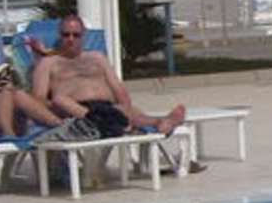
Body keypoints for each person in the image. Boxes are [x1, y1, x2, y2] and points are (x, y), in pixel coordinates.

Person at [28, 18, 187, 135]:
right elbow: (39, 99)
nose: (71, 39)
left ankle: (161, 121)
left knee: (128, 111)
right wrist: (58, 112)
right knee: (60, 99)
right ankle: (120, 123)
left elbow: (118, 89)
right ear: (60, 35)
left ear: (83, 36)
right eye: (66, 34)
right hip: (74, 111)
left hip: (107, 107)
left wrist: (125, 107)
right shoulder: (48, 63)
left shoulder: (97, 58)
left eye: (76, 35)